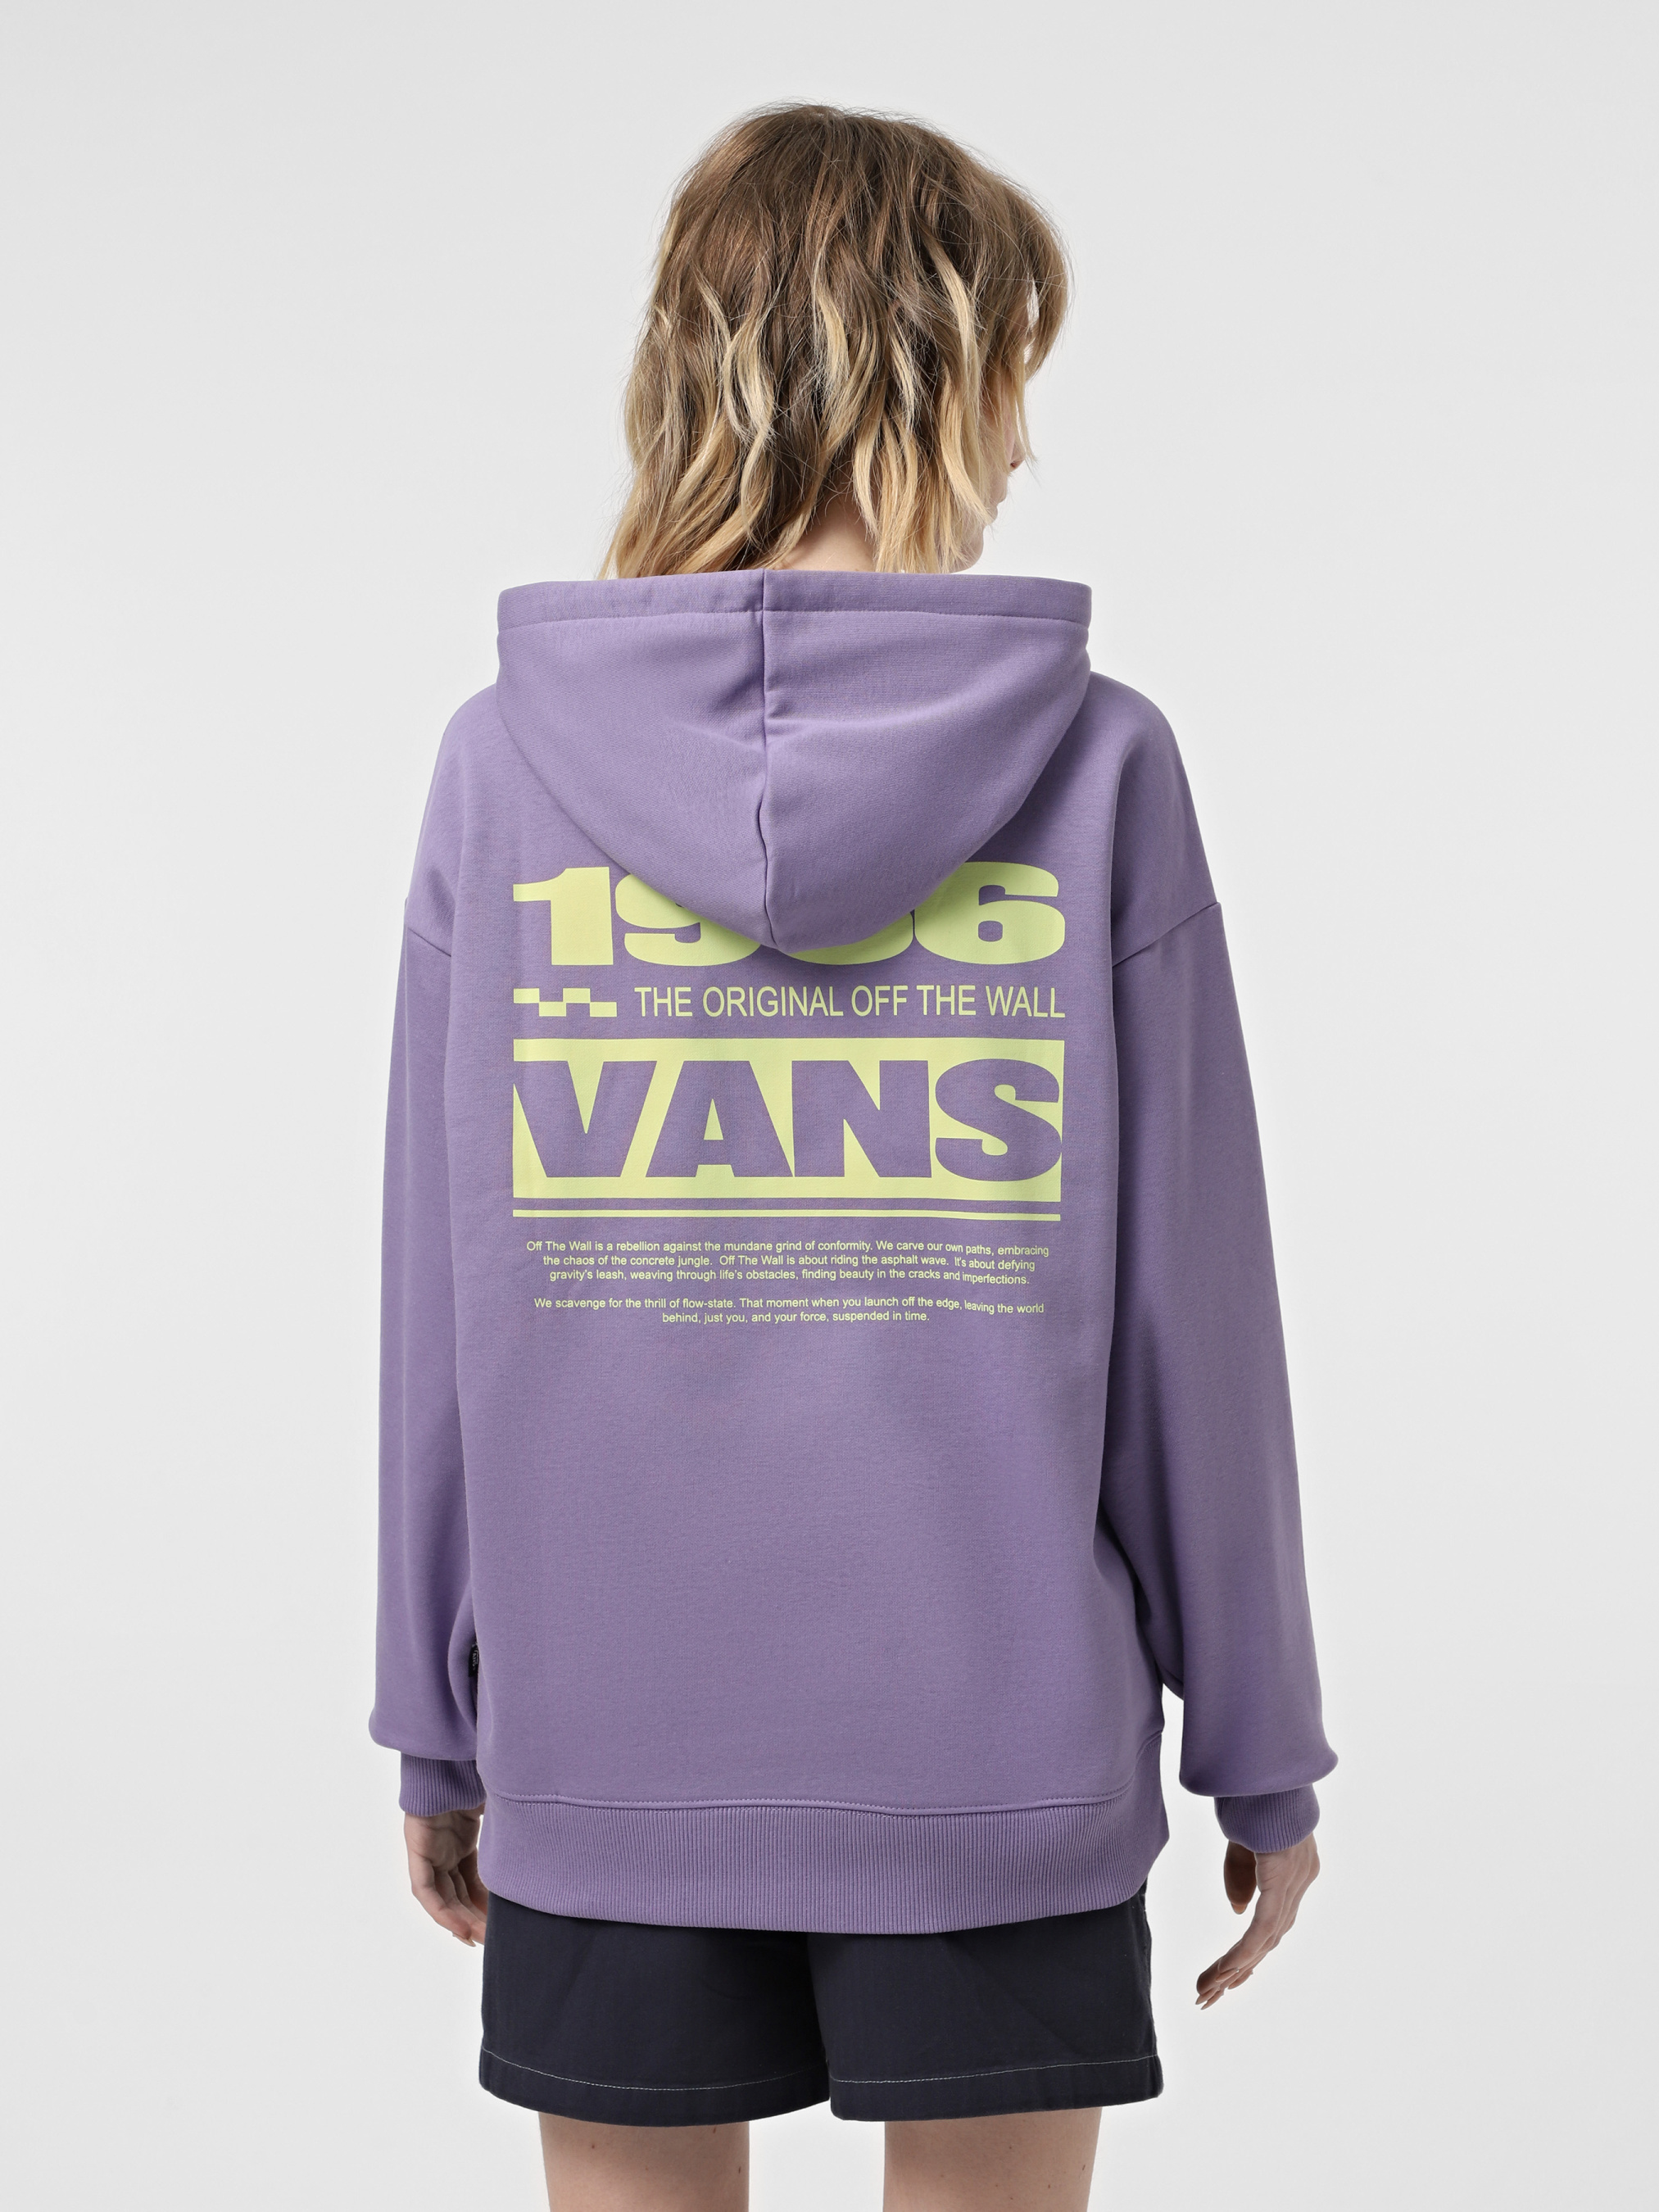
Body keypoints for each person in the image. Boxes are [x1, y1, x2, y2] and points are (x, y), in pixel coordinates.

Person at [371, 102, 1335, 2212]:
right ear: (933, 368)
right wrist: (1258, 1740)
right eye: (1012, 377)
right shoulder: (1096, 765)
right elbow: (1189, 1317)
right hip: (999, 1753)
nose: (1024, 443)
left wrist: (432, 1716)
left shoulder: (504, 767)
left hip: (605, 1737)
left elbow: (444, 1303)